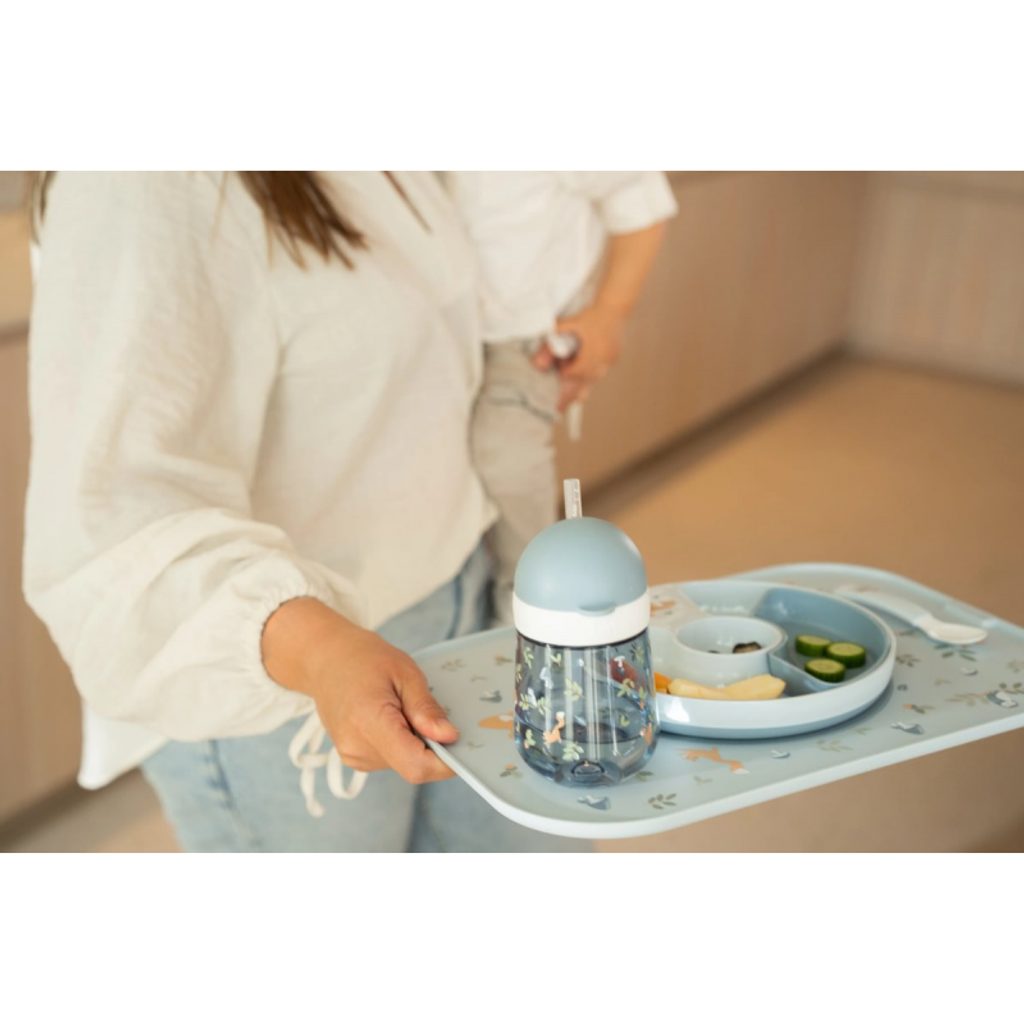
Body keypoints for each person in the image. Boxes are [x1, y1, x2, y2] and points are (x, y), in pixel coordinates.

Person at [22, 171, 589, 852]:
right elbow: (113, 526)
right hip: (295, 685)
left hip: (457, 594)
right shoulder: (138, 188)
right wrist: (323, 655)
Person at [443, 172, 678, 623]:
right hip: (445, 332)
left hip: (523, 341)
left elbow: (641, 200)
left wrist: (609, 315)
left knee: (505, 460)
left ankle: (531, 600)